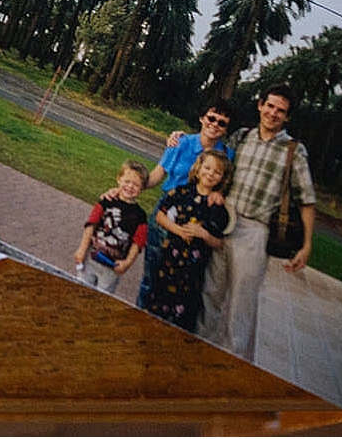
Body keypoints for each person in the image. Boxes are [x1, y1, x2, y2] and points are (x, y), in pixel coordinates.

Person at [200, 87, 317, 360]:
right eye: (270, 106)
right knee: (210, 292)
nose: (273, 113)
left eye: (281, 110)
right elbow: (212, 155)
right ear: (260, 105)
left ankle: (230, 359)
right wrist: (177, 138)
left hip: (255, 232)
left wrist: (307, 246)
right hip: (223, 221)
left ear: (287, 117)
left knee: (241, 304)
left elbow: (307, 201)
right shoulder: (241, 137)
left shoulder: (293, 151)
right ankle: (200, 347)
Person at [135, 101, 237, 312]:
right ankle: (140, 314)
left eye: (222, 122)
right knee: (152, 273)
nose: (215, 124)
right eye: (211, 118)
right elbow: (158, 174)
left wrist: (220, 193)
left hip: (197, 224)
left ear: (226, 129)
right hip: (167, 215)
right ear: (202, 118)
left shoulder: (227, 155)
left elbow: (225, 184)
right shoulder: (181, 143)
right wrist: (133, 186)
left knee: (183, 283)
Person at [142, 151, 232, 332]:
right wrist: (178, 230)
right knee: (156, 305)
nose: (210, 173)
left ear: (222, 178)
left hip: (192, 273)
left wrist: (204, 234)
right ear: (198, 169)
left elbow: (219, 243)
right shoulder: (181, 192)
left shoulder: (218, 207)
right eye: (207, 168)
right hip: (167, 263)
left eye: (217, 172)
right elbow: (160, 215)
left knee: (181, 316)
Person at [74, 161, 150, 296]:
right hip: (91, 258)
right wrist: (82, 249)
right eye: (127, 181)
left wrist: (127, 263)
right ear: (119, 179)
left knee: (101, 299)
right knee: (80, 292)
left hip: (112, 267)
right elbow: (91, 225)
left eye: (136, 184)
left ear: (142, 188)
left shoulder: (140, 216)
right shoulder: (106, 201)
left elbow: (138, 244)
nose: (130, 186)